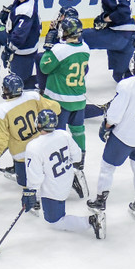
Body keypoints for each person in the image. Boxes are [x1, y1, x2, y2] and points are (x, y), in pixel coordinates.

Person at [87, 48, 135, 220]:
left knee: (107, 168)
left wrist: (106, 125)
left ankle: (100, 200)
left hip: (123, 136)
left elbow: (115, 114)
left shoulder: (126, 84)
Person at [23, 109, 106, 239]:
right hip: (67, 179)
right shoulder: (63, 134)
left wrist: (30, 192)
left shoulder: (34, 147)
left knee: (55, 221)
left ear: (38, 124)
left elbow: (35, 177)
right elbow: (77, 156)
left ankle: (91, 221)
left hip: (53, 190)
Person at [38, 14, 90, 195]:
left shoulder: (59, 50)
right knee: (78, 131)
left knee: (56, 136)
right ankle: (79, 163)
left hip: (59, 101)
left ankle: (58, 168)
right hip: (79, 99)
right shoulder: (85, 47)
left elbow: (44, 67)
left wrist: (48, 46)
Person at [0, 74, 61, 188]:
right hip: (42, 146)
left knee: (27, 184)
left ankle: (32, 193)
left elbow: (1, 141)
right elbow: (56, 108)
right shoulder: (33, 96)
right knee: (46, 173)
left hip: (22, 155)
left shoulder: (0, 111)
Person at [81, 0, 135, 83]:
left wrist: (105, 19)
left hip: (119, 36)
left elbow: (124, 12)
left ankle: (75, 72)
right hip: (129, 38)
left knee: (79, 37)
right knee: (120, 77)